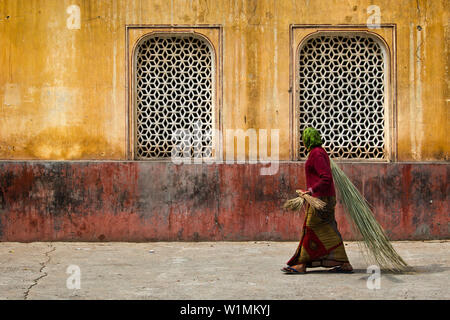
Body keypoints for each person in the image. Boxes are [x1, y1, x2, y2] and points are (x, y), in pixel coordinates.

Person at [282, 127, 353, 274]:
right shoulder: (319, 152)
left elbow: (326, 177)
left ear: (308, 139)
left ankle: (301, 265)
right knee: (329, 230)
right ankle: (344, 263)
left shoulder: (317, 154)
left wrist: (311, 190)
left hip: (321, 199)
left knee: (310, 228)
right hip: (322, 198)